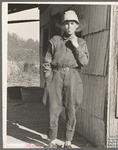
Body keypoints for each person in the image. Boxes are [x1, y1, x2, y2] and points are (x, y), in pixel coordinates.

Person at [42, 10, 89, 148]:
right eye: (66, 24)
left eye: (72, 23)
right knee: (53, 108)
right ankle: (52, 140)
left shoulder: (81, 42)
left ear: (77, 26)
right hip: (56, 75)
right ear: (63, 26)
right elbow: (47, 60)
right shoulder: (55, 40)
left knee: (71, 108)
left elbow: (84, 62)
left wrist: (76, 47)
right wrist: (48, 76)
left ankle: (68, 141)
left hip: (73, 76)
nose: (69, 27)